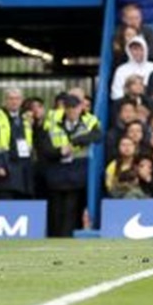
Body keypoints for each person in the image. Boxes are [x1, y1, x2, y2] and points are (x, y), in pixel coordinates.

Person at [40, 95, 101, 237]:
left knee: (71, 209)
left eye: (75, 108)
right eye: (69, 108)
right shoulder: (52, 122)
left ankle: (67, 236)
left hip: (77, 173)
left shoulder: (89, 120)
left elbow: (97, 135)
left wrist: (74, 142)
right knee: (56, 209)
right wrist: (60, 152)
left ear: (80, 108)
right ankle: (55, 236)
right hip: (57, 171)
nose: (72, 111)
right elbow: (44, 146)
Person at [0, 88, 34, 200]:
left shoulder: (25, 118)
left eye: (17, 99)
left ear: (21, 101)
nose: (14, 102)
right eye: (11, 99)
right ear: (5, 101)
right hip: (5, 169)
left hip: (23, 169)